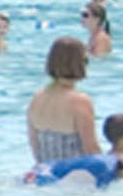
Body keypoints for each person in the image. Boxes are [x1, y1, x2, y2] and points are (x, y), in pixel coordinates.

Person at [28, 37, 99, 166]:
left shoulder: (37, 98)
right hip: (73, 177)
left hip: (44, 175)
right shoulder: (80, 102)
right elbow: (91, 150)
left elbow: (35, 146)